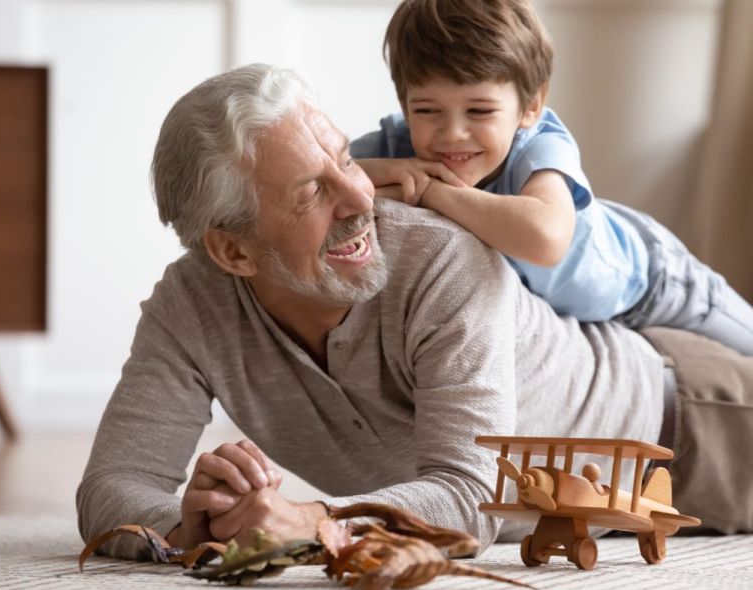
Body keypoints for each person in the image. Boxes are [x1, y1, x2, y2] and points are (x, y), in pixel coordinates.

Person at [77, 64, 753, 561]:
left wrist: (312, 521)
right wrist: (192, 525)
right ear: (233, 252)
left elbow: (468, 496)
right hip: (583, 506)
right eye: (313, 190)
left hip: (696, 421)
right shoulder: (189, 306)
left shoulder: (440, 261)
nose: (359, 196)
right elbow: (112, 485)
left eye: (345, 159)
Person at [351, 0, 753, 356]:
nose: (452, 132)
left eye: (479, 111)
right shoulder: (396, 143)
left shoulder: (540, 143)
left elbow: (543, 239)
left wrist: (433, 192)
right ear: (405, 104)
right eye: (427, 111)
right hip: (585, 309)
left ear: (530, 105)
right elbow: (312, 177)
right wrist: (385, 171)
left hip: (655, 285)